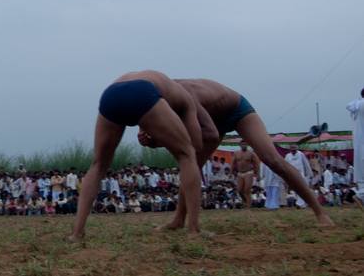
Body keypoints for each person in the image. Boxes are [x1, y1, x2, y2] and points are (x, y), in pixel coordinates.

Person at [139, 77, 334, 227]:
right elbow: (174, 135)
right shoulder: (153, 104)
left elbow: (210, 136)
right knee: (191, 165)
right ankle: (179, 220)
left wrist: (160, 142)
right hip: (210, 120)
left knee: (272, 159)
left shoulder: (182, 94)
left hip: (236, 111)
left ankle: (320, 212)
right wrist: (152, 140)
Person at [70, 70, 206, 240]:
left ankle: (77, 232)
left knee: (98, 165)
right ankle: (193, 229)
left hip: (111, 93)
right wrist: (158, 142)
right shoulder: (186, 100)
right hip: (142, 92)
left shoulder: (157, 82)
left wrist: (155, 140)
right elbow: (197, 144)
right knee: (187, 155)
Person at [346, 88, 364, 207]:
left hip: (359, 144)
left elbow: (349, 105)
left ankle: (359, 194)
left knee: (362, 175)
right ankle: (359, 194)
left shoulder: (356, 105)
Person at [232, 141, 260, 208]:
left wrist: (257, 173)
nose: (244, 145)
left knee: (247, 189)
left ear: (247, 145)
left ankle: (248, 205)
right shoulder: (236, 153)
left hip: (249, 172)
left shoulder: (251, 153)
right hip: (240, 173)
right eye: (242, 144)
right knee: (239, 190)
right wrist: (231, 172)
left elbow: (256, 164)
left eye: (245, 144)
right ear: (240, 145)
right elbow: (233, 163)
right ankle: (245, 201)